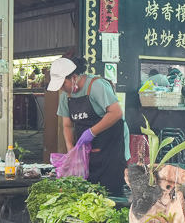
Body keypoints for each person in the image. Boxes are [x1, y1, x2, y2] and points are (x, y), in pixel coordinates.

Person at [49, 56, 128, 195]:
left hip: (110, 145)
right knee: (87, 189)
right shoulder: (65, 95)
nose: (62, 89)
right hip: (88, 148)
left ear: (73, 77)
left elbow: (116, 113)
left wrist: (91, 132)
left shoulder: (96, 86)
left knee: (109, 188)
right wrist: (71, 151)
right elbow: (67, 125)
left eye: (63, 84)